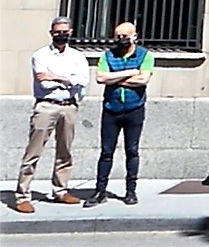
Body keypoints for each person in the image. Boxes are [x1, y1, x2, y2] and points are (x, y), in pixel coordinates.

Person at [14, 16, 90, 213]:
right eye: (58, 32)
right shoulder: (41, 56)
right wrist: (68, 81)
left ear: (71, 32)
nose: (61, 35)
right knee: (34, 151)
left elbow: (82, 80)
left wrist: (56, 76)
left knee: (64, 151)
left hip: (69, 106)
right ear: (51, 33)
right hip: (46, 106)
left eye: (65, 32)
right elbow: (44, 84)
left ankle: (60, 190)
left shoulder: (77, 56)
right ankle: (22, 195)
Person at [85, 21, 154, 208]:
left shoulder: (145, 55)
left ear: (135, 36)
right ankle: (100, 191)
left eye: (126, 35)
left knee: (132, 151)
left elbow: (143, 80)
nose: (122, 39)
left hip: (134, 109)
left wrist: (115, 79)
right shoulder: (107, 55)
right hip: (111, 110)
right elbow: (100, 78)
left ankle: (130, 191)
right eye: (118, 36)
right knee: (106, 152)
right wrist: (130, 73)